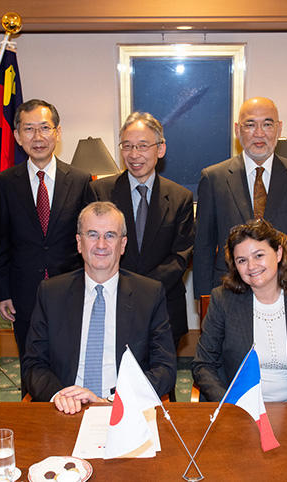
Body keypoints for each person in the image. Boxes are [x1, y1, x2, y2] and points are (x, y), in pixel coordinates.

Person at [22, 202, 176, 413]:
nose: (101, 244)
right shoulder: (51, 293)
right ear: (79, 242)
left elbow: (164, 369)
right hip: (66, 409)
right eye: (92, 234)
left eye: (110, 235)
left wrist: (113, 400)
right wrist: (61, 396)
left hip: (124, 410)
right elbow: (33, 364)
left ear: (123, 244)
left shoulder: (149, 294)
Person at [193, 218, 287, 402]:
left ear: (278, 253)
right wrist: (230, 405)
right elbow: (203, 364)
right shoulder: (223, 300)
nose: (251, 266)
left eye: (259, 255)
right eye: (242, 260)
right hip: (239, 408)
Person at [0, 99, 92, 365]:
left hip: (72, 290)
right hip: (23, 293)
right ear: (17, 136)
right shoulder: (3, 183)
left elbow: (88, 240)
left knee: (72, 362)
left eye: (45, 128)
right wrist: (3, 292)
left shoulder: (80, 180)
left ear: (58, 133)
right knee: (31, 364)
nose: (37, 137)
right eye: (29, 129)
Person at [194, 97, 287, 301]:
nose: (259, 133)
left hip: (286, 291)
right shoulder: (213, 178)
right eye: (250, 125)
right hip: (229, 292)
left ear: (279, 129)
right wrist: (204, 299)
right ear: (237, 130)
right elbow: (203, 247)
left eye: (267, 124)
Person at [89, 112, 194, 347]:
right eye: (127, 146)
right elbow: (94, 248)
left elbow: (180, 256)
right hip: (112, 303)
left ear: (160, 149)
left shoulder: (180, 197)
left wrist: (140, 289)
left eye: (143, 146)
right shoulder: (100, 192)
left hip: (164, 306)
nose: (134, 154)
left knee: (162, 370)